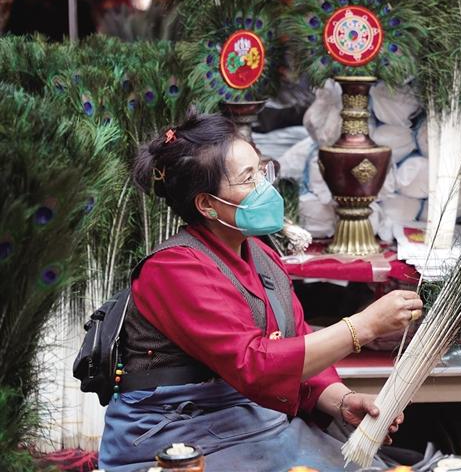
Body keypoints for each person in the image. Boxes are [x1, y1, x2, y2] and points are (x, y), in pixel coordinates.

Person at [99, 113, 423, 471]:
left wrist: (340, 399)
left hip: (247, 422)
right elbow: (254, 365)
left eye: (261, 171)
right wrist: (364, 326)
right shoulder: (172, 270)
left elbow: (296, 343)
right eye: (247, 178)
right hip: (175, 435)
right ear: (207, 205)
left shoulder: (262, 256)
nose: (264, 187)